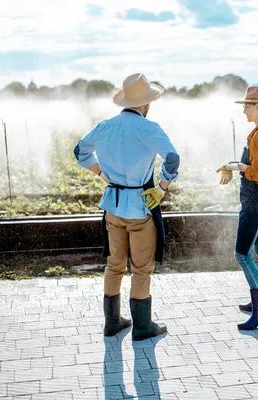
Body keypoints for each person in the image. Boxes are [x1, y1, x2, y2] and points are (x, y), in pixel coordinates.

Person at [73, 73, 179, 340]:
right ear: (146, 104)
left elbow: (79, 151)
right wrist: (161, 188)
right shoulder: (149, 128)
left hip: (112, 205)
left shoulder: (106, 125)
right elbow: (173, 158)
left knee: (114, 264)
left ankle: (112, 322)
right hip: (140, 207)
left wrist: (101, 173)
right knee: (141, 268)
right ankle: (143, 327)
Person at [217, 85, 258, 330]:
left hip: (256, 201)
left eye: (247, 105)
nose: (244, 110)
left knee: (242, 253)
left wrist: (240, 168)